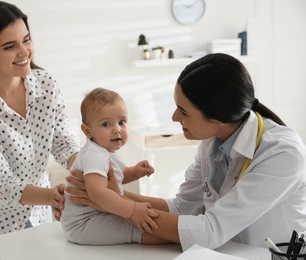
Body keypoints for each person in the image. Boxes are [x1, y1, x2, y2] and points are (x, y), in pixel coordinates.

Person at [62, 53, 306, 250]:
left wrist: (113, 205)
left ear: (218, 118)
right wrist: (114, 197)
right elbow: (182, 207)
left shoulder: (282, 154)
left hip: (266, 255)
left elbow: (209, 230)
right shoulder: (214, 140)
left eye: (184, 111)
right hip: (228, 251)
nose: (174, 117)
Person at [0, 1, 80, 243]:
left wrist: (87, 170)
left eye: (26, 39)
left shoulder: (47, 85)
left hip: (38, 201)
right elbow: (2, 182)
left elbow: (63, 143)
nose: (24, 52)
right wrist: (51, 196)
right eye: (10, 46)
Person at [60, 87, 170, 245]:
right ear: (87, 131)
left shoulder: (105, 150)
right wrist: (132, 210)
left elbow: (115, 176)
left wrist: (134, 171)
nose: (117, 129)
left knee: (144, 223)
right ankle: (175, 244)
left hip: (97, 214)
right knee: (138, 227)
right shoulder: (95, 155)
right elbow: (98, 193)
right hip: (83, 224)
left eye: (122, 122)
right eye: (106, 124)